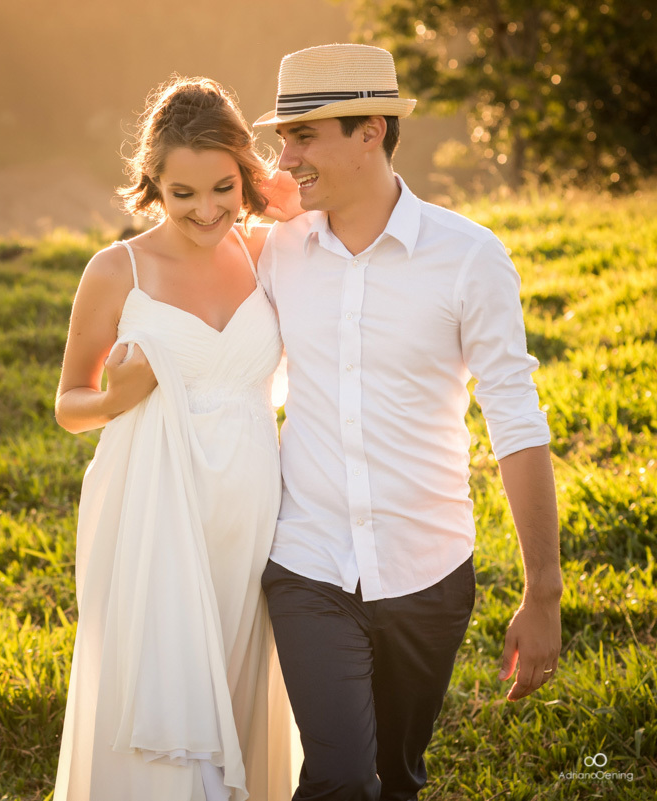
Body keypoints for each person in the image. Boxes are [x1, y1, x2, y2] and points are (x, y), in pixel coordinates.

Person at [252, 44, 563, 801]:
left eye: (304, 136)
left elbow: (515, 423)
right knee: (340, 777)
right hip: (306, 563)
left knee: (396, 777)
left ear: (371, 132)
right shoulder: (277, 254)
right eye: (283, 137)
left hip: (429, 571)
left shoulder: (469, 257)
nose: (285, 157)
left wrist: (543, 593)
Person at [52, 76, 302, 801]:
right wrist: (116, 396)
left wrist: (284, 207)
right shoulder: (116, 271)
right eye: (181, 193)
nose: (205, 210)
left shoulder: (266, 252)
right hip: (153, 515)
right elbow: (69, 404)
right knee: (167, 714)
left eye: (223, 187)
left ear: (245, 173)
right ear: (152, 181)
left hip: (252, 514)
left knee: (237, 684)